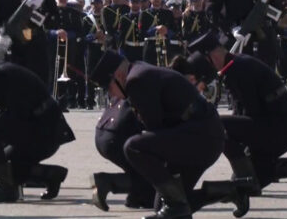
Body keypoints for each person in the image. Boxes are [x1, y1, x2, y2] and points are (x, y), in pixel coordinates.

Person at [89, 50, 247, 219]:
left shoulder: (136, 80)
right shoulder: (139, 71)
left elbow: (154, 129)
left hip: (200, 137)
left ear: (119, 75)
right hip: (200, 136)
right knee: (163, 207)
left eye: (109, 87)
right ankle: (230, 191)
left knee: (134, 147)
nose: (111, 94)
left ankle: (176, 205)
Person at [187, 31, 287, 196]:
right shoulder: (237, 64)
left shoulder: (238, 70)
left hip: (280, 130)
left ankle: (247, 174)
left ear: (211, 56)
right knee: (243, 185)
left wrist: (243, 151)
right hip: (280, 127)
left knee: (218, 124)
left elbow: (249, 113)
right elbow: (245, 116)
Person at [0, 42, 74, 204]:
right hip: (31, 133)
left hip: (44, 136)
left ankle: (5, 188)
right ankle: (50, 174)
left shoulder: (6, 76)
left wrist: (0, 153)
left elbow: (17, 120)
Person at [89, 95, 155, 211]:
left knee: (141, 174)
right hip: (117, 137)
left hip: (104, 133)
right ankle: (105, 182)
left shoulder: (133, 84)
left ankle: (136, 198)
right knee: (153, 178)